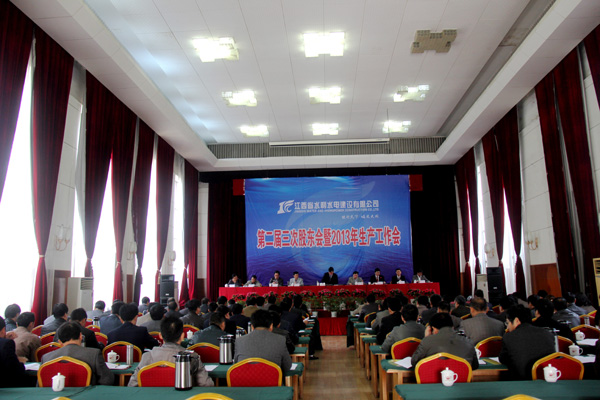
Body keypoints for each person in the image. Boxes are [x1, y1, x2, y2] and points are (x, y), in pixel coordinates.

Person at [128, 316, 213, 387]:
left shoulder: (147, 356)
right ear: (182, 336)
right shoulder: (192, 357)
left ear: (160, 336)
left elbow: (132, 385)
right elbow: (206, 384)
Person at [41, 322, 114, 385]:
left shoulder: (46, 358)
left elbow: (41, 385)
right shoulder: (94, 354)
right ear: (80, 336)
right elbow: (108, 380)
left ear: (59, 342)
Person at [499, 305, 555, 380]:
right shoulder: (548, 334)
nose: (508, 327)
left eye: (508, 323)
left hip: (521, 382)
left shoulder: (509, 337)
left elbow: (503, 359)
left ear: (516, 321)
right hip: (547, 379)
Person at [411, 313, 479, 370]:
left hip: (433, 380)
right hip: (462, 380)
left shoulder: (427, 341)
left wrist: (426, 338)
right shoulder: (468, 342)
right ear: (452, 327)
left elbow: (415, 362)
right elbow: (475, 366)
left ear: (433, 329)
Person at [234, 309, 292, 374]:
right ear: (271, 326)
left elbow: (236, 365)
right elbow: (287, 366)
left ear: (252, 327)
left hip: (246, 379)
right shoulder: (280, 340)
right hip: (272, 379)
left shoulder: (239, 341)